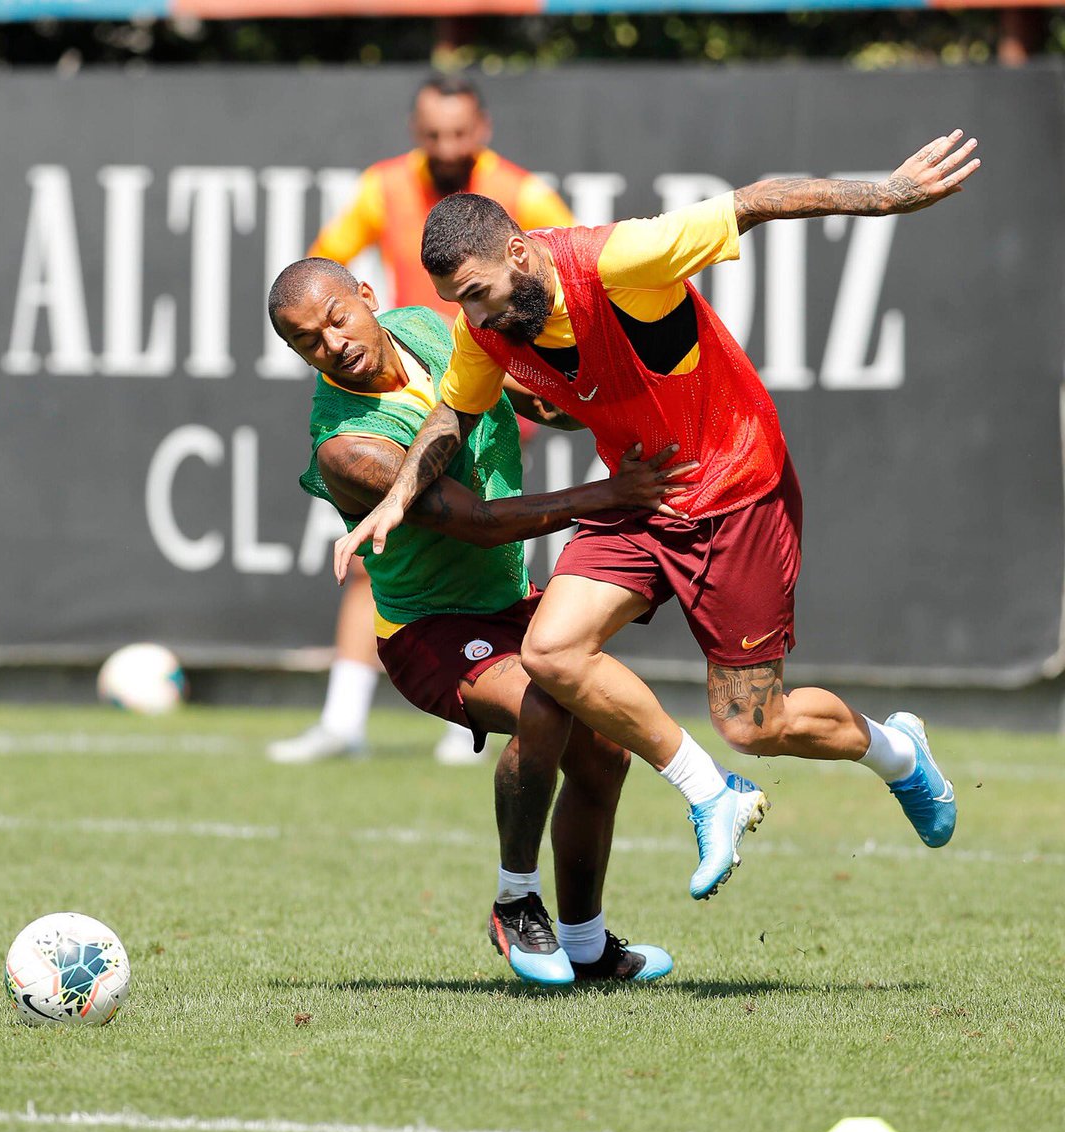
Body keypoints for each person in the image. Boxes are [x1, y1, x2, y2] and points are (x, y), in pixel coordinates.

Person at [335, 130, 980, 901]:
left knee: (755, 723)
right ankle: (713, 794)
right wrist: (399, 497)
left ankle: (897, 754)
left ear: (517, 253)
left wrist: (889, 195)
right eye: (457, 303)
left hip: (739, 490)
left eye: (476, 292)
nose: (471, 316)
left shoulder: (620, 259)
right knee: (552, 652)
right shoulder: (485, 332)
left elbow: (755, 201)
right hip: (641, 494)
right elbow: (449, 418)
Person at [269, 256, 694, 984]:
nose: (332, 343)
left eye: (337, 318)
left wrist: (573, 407)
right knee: (544, 705)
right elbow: (484, 524)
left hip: (508, 602)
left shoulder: (424, 329)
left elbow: (502, 389)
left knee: (604, 755)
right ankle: (516, 901)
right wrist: (612, 494)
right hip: (428, 630)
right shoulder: (348, 446)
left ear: (367, 296)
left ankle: (588, 946)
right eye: (309, 341)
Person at [269, 75, 575, 767]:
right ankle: (348, 719)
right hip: (398, 382)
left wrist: (533, 376)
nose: (445, 146)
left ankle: (474, 693)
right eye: (432, 134)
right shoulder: (384, 186)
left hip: (476, 378)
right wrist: (355, 323)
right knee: (383, 550)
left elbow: (560, 257)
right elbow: (326, 256)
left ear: (483, 129)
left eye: (458, 132)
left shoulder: (520, 192)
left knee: (477, 534)